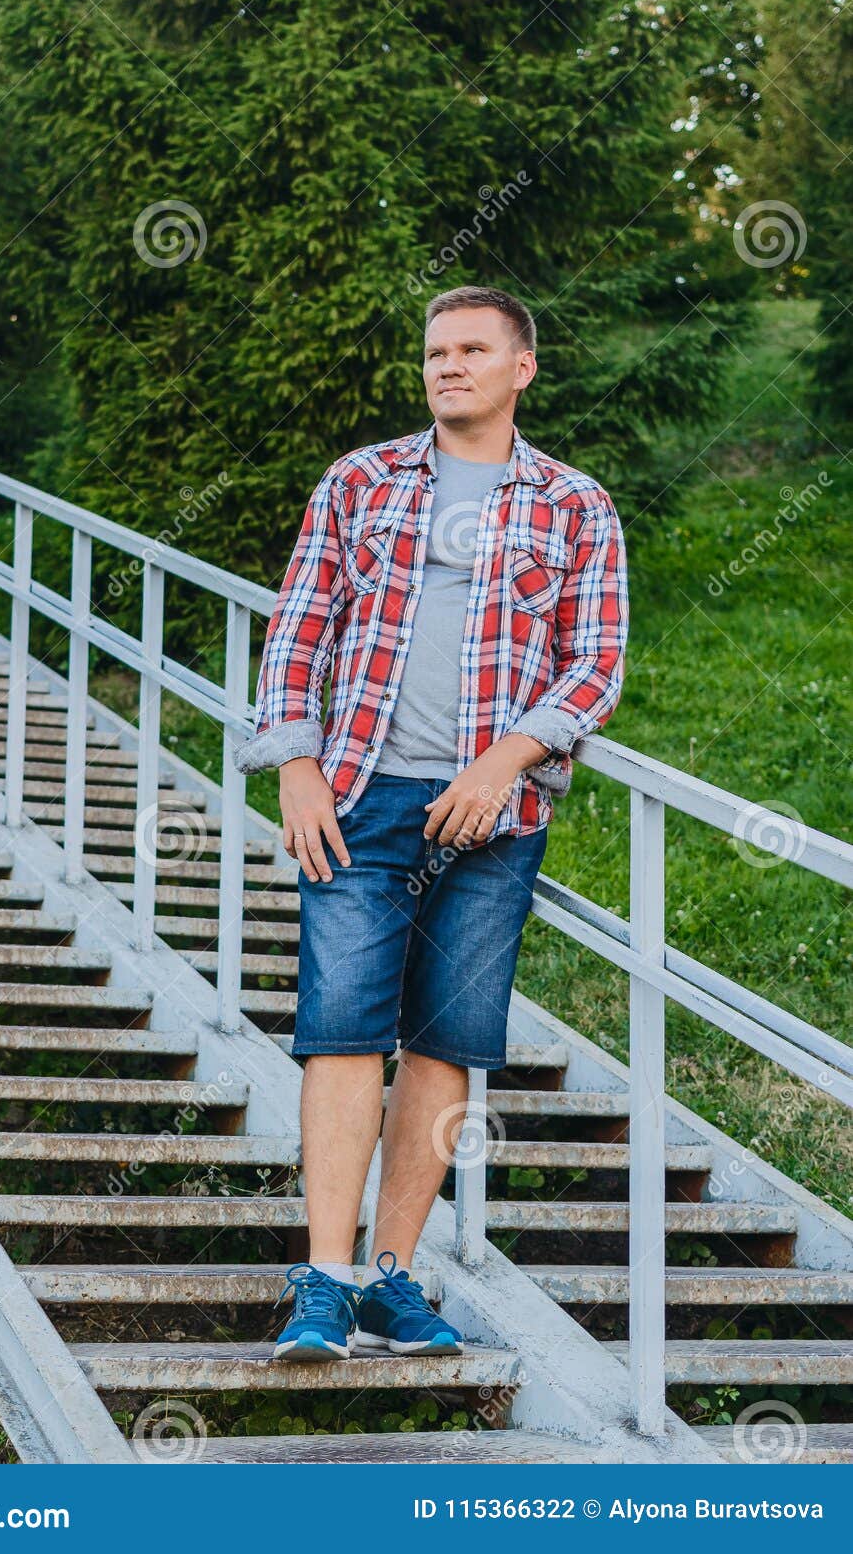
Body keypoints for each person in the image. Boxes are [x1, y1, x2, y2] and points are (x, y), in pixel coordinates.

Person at [234, 283, 629, 1360]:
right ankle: (323, 1278)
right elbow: (298, 628)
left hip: (493, 814)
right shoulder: (359, 480)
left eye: (468, 350)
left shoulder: (574, 505)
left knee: (446, 1046)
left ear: (521, 367)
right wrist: (297, 767)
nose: (445, 366)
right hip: (359, 794)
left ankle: (392, 1279)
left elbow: (594, 665)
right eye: (432, 352)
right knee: (343, 1027)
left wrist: (507, 760)